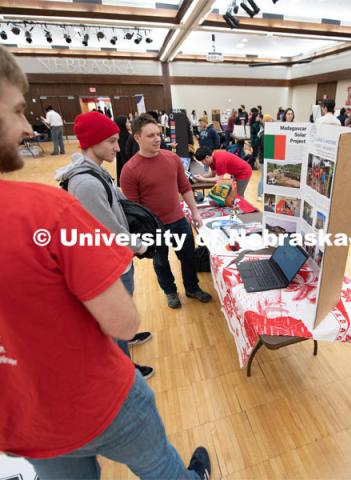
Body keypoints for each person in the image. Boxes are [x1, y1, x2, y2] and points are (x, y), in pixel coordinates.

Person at [0, 45, 210, 480]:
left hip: (27, 420)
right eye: (19, 110)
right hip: (94, 400)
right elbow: (121, 320)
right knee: (162, 468)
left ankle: (183, 288)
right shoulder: (46, 209)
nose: (27, 126)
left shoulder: (148, 165)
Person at [55, 109, 154, 378]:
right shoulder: (85, 183)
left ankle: (126, 339)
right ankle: (123, 371)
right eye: (111, 141)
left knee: (123, 310)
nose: (117, 147)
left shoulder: (95, 172)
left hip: (116, 260)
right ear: (92, 142)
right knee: (116, 318)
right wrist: (142, 246)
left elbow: (115, 204)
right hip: (109, 265)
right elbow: (109, 231)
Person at [120, 114, 212, 309]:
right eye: (150, 135)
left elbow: (185, 186)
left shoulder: (172, 158)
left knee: (188, 257)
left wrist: (195, 213)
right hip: (154, 228)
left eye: (158, 134)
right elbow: (133, 210)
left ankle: (192, 288)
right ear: (137, 138)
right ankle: (170, 291)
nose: (156, 139)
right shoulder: (130, 170)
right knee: (161, 262)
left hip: (178, 220)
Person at [257, 113, 274, 200]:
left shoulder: (267, 132)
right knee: (263, 177)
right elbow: (266, 147)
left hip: (265, 158)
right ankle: (260, 194)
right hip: (263, 159)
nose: (272, 122)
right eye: (271, 120)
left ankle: (262, 193)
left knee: (265, 176)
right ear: (266, 121)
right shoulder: (264, 134)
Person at [115, 115, 131, 185]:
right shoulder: (123, 138)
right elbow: (124, 157)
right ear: (123, 124)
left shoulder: (123, 135)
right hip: (127, 169)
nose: (129, 124)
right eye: (127, 122)